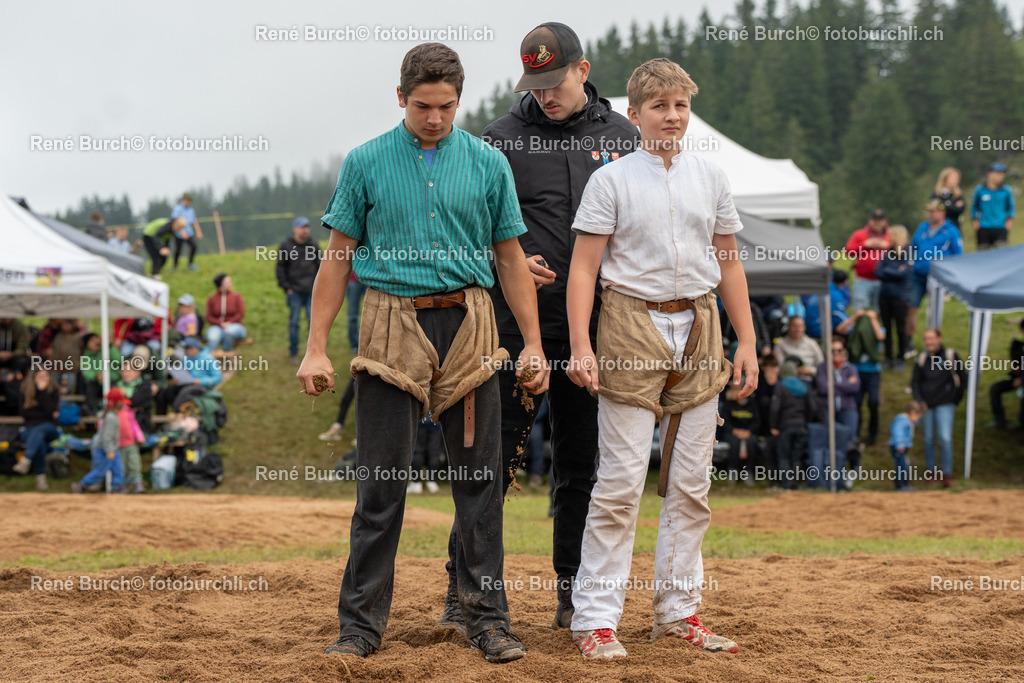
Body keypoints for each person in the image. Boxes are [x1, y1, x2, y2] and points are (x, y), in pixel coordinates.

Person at [297, 42, 549, 663]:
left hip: (470, 326)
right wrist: (315, 349)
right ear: (400, 98)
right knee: (381, 485)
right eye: (422, 106)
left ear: (460, 100)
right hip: (390, 325)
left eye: (446, 106)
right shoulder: (365, 162)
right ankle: (359, 628)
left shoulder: (489, 165)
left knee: (478, 483)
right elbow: (337, 259)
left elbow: (511, 259)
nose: (434, 118)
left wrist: (535, 345)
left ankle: (487, 620)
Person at [447, 20, 641, 633]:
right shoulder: (495, 140)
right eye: (535, 84)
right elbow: (463, 227)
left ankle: (573, 598)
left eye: (555, 82)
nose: (545, 94)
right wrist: (503, 260)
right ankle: (465, 596)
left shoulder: (625, 137)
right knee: (490, 467)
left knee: (581, 467)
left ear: (583, 71)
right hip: (512, 331)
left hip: (594, 332)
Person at [565, 58, 756, 660]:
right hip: (628, 324)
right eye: (659, 106)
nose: (671, 116)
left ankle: (679, 613)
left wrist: (746, 340)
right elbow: (584, 268)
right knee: (620, 482)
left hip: (700, 326)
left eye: (679, 105)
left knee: (691, 484)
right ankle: (595, 620)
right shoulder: (612, 180)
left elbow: (728, 261)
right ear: (635, 113)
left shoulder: (711, 177)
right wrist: (579, 346)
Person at [911, 329, 967, 488]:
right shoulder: (921, 359)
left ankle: (946, 473)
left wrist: (956, 399)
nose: (929, 342)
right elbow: (915, 383)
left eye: (932, 339)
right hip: (927, 406)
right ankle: (931, 472)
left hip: (946, 404)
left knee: (945, 438)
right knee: (928, 439)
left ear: (939, 338)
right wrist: (919, 400)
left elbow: (963, 378)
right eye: (926, 339)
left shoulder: (950, 355)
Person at [908, 201, 963, 348]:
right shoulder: (922, 227)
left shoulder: (951, 230)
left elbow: (958, 255)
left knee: (934, 311)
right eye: (929, 211)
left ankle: (933, 343)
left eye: (934, 211)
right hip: (918, 274)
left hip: (937, 277)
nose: (931, 214)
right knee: (910, 306)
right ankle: (907, 340)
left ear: (942, 212)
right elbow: (912, 247)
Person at [809, 337, 860, 488]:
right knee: (829, 439)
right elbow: (823, 388)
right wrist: (845, 385)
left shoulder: (850, 368)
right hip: (827, 408)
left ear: (844, 351)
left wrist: (834, 384)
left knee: (851, 438)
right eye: (832, 351)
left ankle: (851, 470)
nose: (836, 353)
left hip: (847, 408)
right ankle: (828, 476)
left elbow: (855, 387)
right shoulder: (822, 368)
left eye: (839, 350)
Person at [770, 361, 821, 491]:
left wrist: (774, 426)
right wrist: (805, 422)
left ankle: (786, 485)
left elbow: (775, 409)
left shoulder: (780, 388)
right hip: (801, 426)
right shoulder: (804, 387)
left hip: (785, 427)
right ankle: (795, 485)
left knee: (784, 455)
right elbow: (812, 407)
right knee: (797, 456)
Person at [277, 216, 321, 364]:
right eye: (302, 227)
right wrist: (287, 287)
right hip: (294, 291)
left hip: (311, 292)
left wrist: (317, 286)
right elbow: (280, 268)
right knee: (294, 322)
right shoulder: (286, 246)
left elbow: (320, 266)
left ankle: (314, 353)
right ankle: (294, 353)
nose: (305, 230)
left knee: (313, 322)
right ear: (295, 229)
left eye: (307, 227)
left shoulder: (313, 245)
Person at [839, 309, 885, 450]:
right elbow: (841, 330)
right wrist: (854, 317)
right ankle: (856, 433)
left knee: (873, 402)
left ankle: (872, 434)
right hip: (857, 372)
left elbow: (880, 336)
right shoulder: (856, 330)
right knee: (856, 403)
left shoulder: (878, 328)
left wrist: (873, 319)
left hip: (872, 373)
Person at [11, 369, 61, 490]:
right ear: (33, 378)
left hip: (50, 429)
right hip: (30, 428)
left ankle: (27, 459)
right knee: (40, 442)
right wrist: (46, 415)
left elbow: (50, 410)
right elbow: (24, 414)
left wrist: (42, 392)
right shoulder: (24, 391)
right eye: (40, 376)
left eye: (46, 376)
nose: (44, 378)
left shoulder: (53, 390)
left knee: (40, 430)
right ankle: (40, 478)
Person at [71, 389, 127, 494]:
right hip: (103, 449)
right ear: (117, 403)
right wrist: (109, 450)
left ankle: (117, 487)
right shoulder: (110, 417)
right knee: (100, 471)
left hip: (111, 448)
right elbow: (106, 437)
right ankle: (81, 485)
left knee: (118, 469)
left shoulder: (111, 415)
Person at [874, 225, 913, 369]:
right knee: (887, 327)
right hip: (885, 296)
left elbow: (903, 274)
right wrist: (894, 271)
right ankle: (888, 357)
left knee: (900, 328)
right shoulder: (888, 252)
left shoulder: (908, 252)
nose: (889, 237)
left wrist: (888, 271)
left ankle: (901, 357)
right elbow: (877, 271)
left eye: (891, 235)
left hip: (900, 297)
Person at [845, 208, 890, 312]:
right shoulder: (860, 234)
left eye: (880, 220)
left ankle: (880, 328)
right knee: (861, 310)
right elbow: (849, 252)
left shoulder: (890, 235)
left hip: (885, 281)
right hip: (863, 280)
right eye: (874, 220)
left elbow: (902, 251)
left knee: (880, 311)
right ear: (869, 221)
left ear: (885, 222)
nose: (877, 223)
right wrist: (865, 245)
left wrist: (887, 246)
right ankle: (861, 328)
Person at [988, 319, 1024, 429]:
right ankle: (999, 419)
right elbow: (1015, 362)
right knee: (995, 388)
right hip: (1017, 377)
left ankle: (1020, 422)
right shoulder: (1018, 343)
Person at [720, 385, 759, 485]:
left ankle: (748, 472)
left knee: (752, 442)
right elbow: (725, 422)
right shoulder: (728, 405)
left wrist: (749, 431)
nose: (731, 393)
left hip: (748, 433)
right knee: (734, 442)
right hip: (732, 433)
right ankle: (733, 472)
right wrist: (735, 431)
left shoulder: (752, 404)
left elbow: (757, 422)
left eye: (734, 390)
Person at [970, 162, 1014, 250]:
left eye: (1002, 174)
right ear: (989, 174)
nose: (1001, 176)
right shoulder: (980, 190)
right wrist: (975, 221)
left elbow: (1011, 207)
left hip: (1000, 227)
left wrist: (1009, 222)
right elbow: (974, 206)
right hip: (984, 227)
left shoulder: (1006, 190)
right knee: (982, 255)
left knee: (1001, 254)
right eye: (998, 173)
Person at [79, 332, 122, 412]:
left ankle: (115, 410)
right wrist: (96, 376)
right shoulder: (86, 356)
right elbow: (86, 372)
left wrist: (110, 347)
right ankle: (89, 411)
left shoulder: (107, 350)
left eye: (96, 339)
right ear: (87, 345)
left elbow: (118, 361)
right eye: (92, 340)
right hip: (96, 383)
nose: (96, 342)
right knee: (89, 387)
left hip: (111, 380)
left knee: (115, 388)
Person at [889, 401, 925, 491]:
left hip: (902, 447)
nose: (917, 419)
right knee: (901, 466)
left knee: (904, 465)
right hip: (899, 447)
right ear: (912, 413)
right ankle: (900, 486)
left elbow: (913, 423)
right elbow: (898, 433)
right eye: (917, 417)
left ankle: (904, 485)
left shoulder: (907, 420)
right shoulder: (902, 421)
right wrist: (900, 445)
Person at [205, 274, 247, 352]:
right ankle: (209, 359)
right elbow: (208, 316)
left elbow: (241, 313)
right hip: (217, 326)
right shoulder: (212, 299)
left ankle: (225, 355)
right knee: (212, 337)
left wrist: (229, 323)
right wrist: (220, 323)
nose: (230, 283)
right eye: (228, 282)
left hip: (235, 325)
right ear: (221, 284)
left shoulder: (236, 296)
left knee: (229, 332)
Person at [772, 316, 823, 381]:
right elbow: (778, 367)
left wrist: (810, 371)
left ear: (804, 328)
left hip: (810, 380)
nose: (797, 329)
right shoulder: (780, 344)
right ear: (788, 327)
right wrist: (793, 370)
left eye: (800, 326)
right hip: (787, 380)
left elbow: (822, 367)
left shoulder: (812, 344)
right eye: (794, 326)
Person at [171, 192, 203, 270]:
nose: (189, 203)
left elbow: (194, 222)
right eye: (188, 201)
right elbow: (175, 221)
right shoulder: (177, 209)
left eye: (190, 201)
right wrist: (182, 232)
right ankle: (175, 266)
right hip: (179, 233)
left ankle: (190, 264)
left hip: (189, 232)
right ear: (183, 200)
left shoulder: (191, 210)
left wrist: (198, 232)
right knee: (178, 250)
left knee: (194, 246)